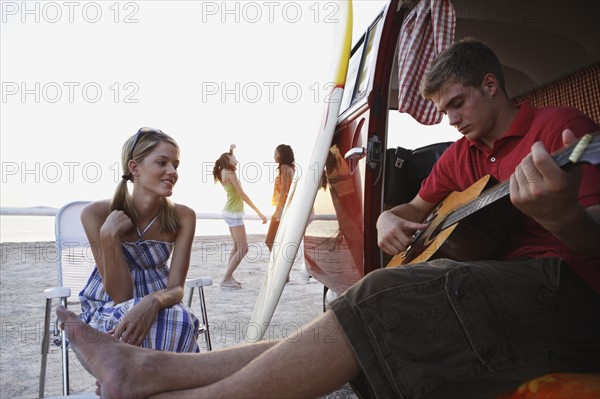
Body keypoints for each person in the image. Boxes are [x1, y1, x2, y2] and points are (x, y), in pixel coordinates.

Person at [57, 39, 599, 398]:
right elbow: (410, 209)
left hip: (568, 290)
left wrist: (563, 217)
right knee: (361, 309)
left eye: (458, 104)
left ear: (490, 84)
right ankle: (146, 368)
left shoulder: (560, 130)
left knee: (378, 296)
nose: (451, 120)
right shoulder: (465, 153)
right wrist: (390, 217)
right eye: (443, 111)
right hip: (493, 282)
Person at [78, 127, 200, 353]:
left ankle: (137, 383)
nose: (173, 171)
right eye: (162, 163)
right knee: (141, 323)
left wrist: (152, 301)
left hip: (164, 302)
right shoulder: (95, 214)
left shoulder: (183, 216)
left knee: (180, 318)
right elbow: (121, 294)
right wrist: (109, 238)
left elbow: (176, 289)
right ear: (134, 167)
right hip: (108, 304)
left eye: (176, 165)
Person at [213, 144, 267, 288]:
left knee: (236, 247)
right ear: (227, 160)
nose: (237, 160)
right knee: (244, 248)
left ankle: (228, 276)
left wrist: (231, 150)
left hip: (229, 212)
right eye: (234, 158)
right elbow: (242, 194)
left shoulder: (223, 171)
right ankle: (225, 279)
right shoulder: (230, 173)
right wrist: (259, 212)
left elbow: (228, 156)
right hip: (234, 213)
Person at [265, 144, 295, 252]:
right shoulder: (291, 168)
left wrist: (276, 212)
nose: (274, 156)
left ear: (282, 155)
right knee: (277, 241)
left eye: (275, 154)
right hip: (286, 207)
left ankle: (275, 266)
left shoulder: (284, 168)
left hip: (282, 208)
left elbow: (283, 191)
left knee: (270, 241)